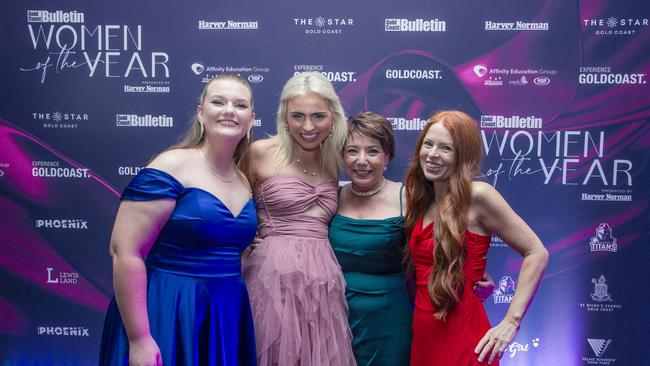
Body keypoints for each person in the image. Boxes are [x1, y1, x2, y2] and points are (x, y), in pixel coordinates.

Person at [99, 74, 258, 366]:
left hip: (226, 310)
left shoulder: (243, 180)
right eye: (218, 101)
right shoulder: (173, 165)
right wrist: (140, 338)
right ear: (201, 112)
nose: (229, 110)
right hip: (170, 307)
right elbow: (125, 252)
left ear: (251, 119)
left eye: (240, 105)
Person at [329, 112, 495, 366]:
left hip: (392, 319)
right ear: (342, 155)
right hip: (334, 315)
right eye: (352, 150)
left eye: (372, 151)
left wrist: (471, 280)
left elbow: (442, 245)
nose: (361, 161)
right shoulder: (330, 198)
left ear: (387, 157)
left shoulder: (412, 199)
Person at [404, 110, 549, 366]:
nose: (433, 154)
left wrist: (511, 322)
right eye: (428, 144)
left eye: (445, 148)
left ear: (462, 155)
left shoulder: (478, 195)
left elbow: (536, 253)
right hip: (425, 338)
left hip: (463, 337)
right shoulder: (422, 198)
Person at [242, 71, 356, 366]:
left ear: (333, 117)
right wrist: (240, 241)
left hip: (323, 281)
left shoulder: (338, 160)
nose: (308, 127)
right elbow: (228, 205)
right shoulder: (258, 153)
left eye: (318, 116)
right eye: (298, 116)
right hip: (270, 277)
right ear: (284, 116)